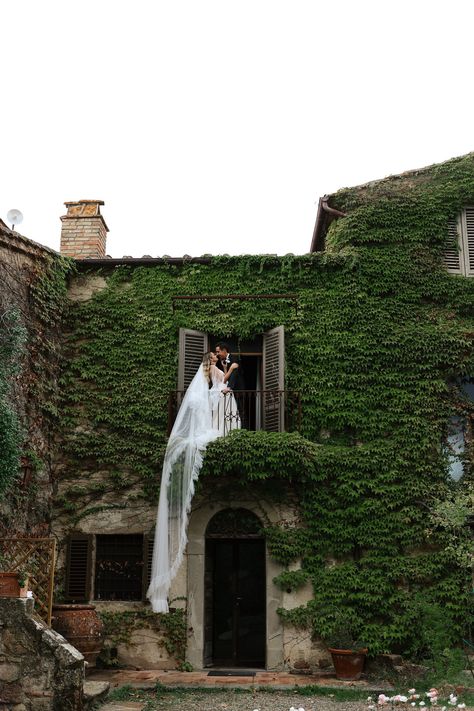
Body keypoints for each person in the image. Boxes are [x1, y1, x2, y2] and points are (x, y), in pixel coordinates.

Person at [147, 352, 239, 613]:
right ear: (206, 367)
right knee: (204, 438)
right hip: (201, 430)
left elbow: (211, 400)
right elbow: (201, 410)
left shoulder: (207, 384)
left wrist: (219, 392)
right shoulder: (198, 390)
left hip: (206, 425)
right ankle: (160, 592)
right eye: (211, 362)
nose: (213, 365)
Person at [203, 351, 241, 435]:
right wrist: (231, 369)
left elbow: (223, 378)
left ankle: (224, 431)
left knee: (224, 413)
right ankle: (225, 433)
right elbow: (223, 380)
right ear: (211, 359)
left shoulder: (213, 368)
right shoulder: (213, 367)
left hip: (221, 390)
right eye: (214, 355)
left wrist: (225, 368)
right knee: (225, 412)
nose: (216, 355)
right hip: (222, 391)